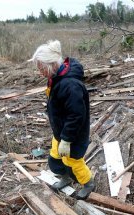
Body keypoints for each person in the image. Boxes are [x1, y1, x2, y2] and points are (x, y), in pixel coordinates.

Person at [28, 40, 95, 199]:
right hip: (61, 131)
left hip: (73, 135)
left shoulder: (70, 85)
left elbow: (76, 115)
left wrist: (66, 139)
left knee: (74, 162)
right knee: (55, 158)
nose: (40, 72)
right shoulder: (57, 77)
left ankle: (88, 183)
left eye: (41, 68)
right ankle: (66, 178)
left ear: (51, 64)